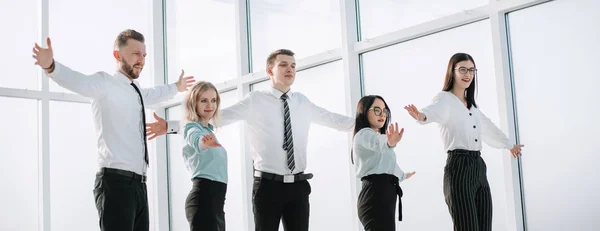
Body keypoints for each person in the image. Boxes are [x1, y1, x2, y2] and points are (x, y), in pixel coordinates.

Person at [146, 49, 354, 231]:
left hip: (298, 187)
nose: (289, 69)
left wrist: (366, 125)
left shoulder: (303, 103)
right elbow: (217, 116)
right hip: (267, 186)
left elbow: (333, 119)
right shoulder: (255, 101)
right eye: (283, 65)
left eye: (293, 66)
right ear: (269, 70)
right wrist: (170, 126)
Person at [31, 29, 195, 231]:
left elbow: (154, 94)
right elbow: (78, 81)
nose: (141, 60)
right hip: (115, 183)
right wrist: (51, 66)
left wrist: (176, 87)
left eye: (144, 55)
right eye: (136, 54)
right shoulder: (105, 84)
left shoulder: (136, 92)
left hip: (139, 186)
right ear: (117, 55)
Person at [404, 53, 524, 231]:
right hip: (458, 167)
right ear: (452, 72)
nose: (468, 74)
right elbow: (433, 111)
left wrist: (508, 145)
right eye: (462, 69)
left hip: (478, 167)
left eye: (471, 70)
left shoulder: (471, 106)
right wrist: (421, 116)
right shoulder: (444, 99)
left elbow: (488, 127)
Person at [352, 95, 416, 231]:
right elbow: (378, 143)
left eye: (384, 111)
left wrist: (403, 175)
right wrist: (389, 141)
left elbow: (388, 165)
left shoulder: (377, 138)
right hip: (375, 196)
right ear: (364, 112)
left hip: (383, 195)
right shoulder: (364, 135)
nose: (382, 114)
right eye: (377, 110)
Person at [181, 81, 228, 231]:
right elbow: (195, 140)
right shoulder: (191, 127)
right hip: (203, 200)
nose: (210, 105)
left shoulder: (209, 131)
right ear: (193, 104)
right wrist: (203, 143)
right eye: (204, 101)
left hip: (217, 204)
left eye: (213, 100)